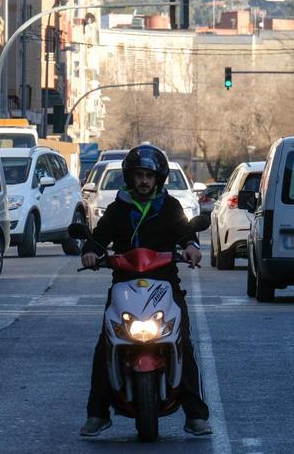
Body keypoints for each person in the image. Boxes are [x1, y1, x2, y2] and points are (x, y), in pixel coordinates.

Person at [78, 144, 211, 438]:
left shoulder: (170, 206)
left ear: (158, 178)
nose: (143, 181)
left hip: (165, 283)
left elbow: (186, 233)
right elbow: (99, 239)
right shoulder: (117, 209)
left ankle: (195, 414)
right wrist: (89, 251)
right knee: (105, 346)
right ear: (129, 177)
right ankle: (97, 414)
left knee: (183, 343)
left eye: (149, 176)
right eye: (138, 175)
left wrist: (191, 247)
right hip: (124, 283)